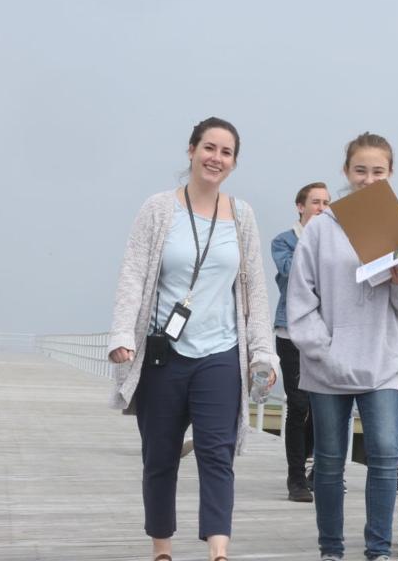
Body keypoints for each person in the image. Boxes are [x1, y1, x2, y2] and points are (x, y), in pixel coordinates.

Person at [106, 117, 278, 561]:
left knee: (217, 454)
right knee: (159, 457)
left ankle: (218, 551)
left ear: (234, 162)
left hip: (220, 353)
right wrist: (123, 334)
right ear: (191, 150)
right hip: (164, 354)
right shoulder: (158, 209)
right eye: (209, 148)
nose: (216, 158)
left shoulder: (242, 216)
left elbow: (255, 289)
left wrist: (263, 353)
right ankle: (162, 548)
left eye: (226, 152)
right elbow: (133, 274)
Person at [287, 132, 398, 561]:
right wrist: (324, 350)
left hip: (383, 363)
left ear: (391, 174)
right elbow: (300, 299)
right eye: (360, 170)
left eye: (378, 172)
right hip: (327, 365)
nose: (369, 179)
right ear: (346, 171)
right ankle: (331, 550)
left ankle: (378, 550)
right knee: (329, 461)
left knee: (385, 456)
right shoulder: (320, 229)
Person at [271, 181, 331, 503]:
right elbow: (291, 272)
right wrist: (317, 245)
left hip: (325, 331)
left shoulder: (335, 240)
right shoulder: (284, 241)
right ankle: (295, 478)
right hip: (291, 332)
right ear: (300, 206)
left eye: (326, 203)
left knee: (323, 403)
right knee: (298, 405)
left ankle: (317, 469)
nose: (322, 208)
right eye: (316, 202)